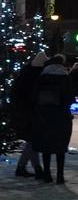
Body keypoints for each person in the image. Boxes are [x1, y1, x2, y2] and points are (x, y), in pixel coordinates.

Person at [32, 53, 75, 185]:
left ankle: (47, 174)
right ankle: (60, 176)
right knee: (60, 146)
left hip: (44, 115)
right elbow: (70, 96)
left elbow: (35, 95)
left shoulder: (43, 77)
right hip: (61, 115)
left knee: (46, 146)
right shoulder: (65, 77)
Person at [10, 51, 48, 177]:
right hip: (30, 112)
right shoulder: (36, 75)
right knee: (33, 141)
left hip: (24, 112)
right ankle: (31, 168)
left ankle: (31, 168)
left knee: (32, 141)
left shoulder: (26, 73)